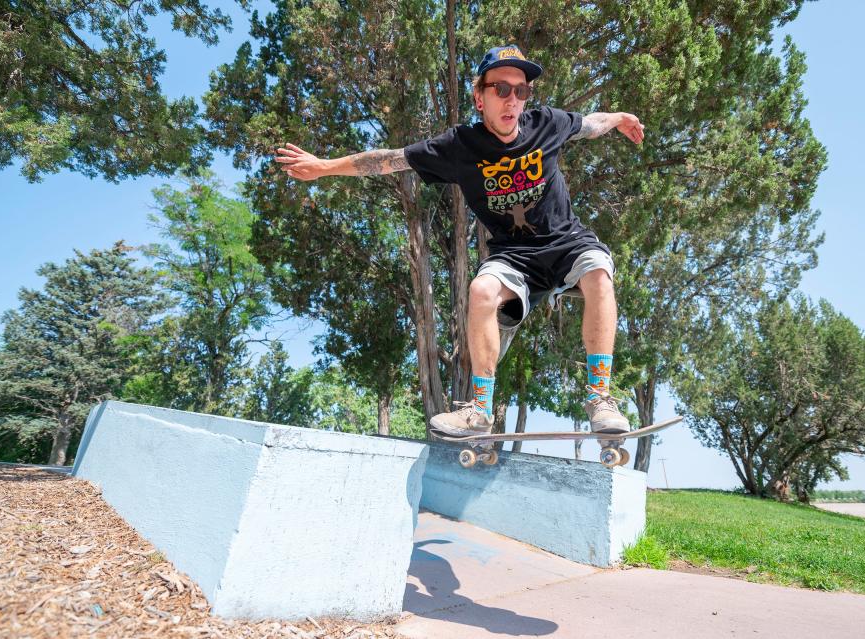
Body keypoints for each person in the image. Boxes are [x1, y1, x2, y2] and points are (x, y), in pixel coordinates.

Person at [275, 44, 644, 438]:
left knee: (599, 273)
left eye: (521, 91)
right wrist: (324, 168)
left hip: (567, 242)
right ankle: (479, 410)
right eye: (501, 89)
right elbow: (389, 159)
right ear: (478, 96)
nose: (512, 101)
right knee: (481, 289)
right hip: (514, 256)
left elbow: (591, 123)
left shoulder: (548, 124)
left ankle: (600, 397)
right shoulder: (459, 147)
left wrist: (620, 117)